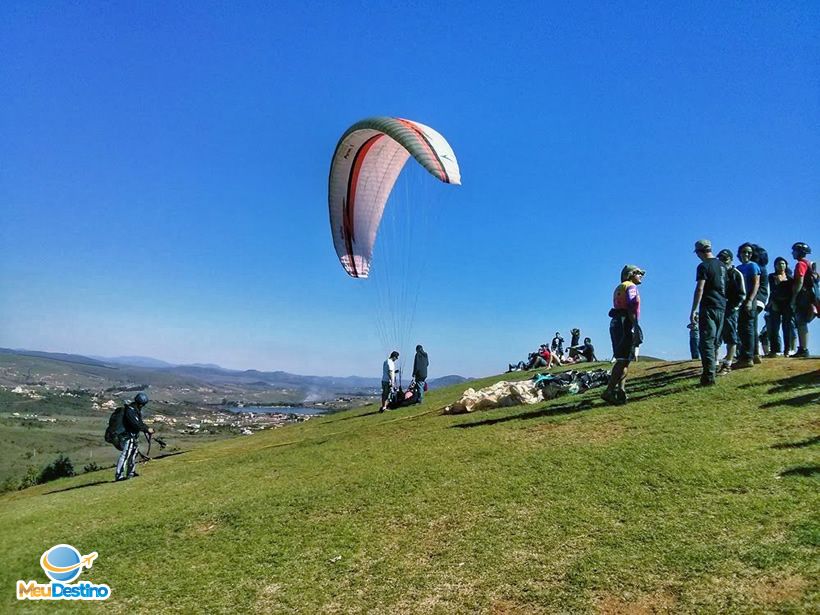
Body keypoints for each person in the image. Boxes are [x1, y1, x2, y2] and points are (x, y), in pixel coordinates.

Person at [602, 264, 644, 404]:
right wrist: (636, 326)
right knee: (622, 360)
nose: (641, 276)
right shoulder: (631, 287)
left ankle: (621, 391)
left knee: (625, 359)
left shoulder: (619, 287)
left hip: (617, 322)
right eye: (638, 273)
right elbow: (632, 305)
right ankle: (609, 391)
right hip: (625, 322)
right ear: (631, 274)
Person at [690, 240, 727, 386]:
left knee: (706, 342)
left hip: (709, 306)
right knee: (716, 340)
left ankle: (709, 376)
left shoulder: (703, 266)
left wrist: (693, 309)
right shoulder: (723, 266)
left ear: (700, 252)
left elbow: (700, 288)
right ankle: (713, 370)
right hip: (722, 306)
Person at [716, 249, 745, 375]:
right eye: (721, 259)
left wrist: (735, 307)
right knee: (716, 336)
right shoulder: (717, 274)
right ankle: (715, 363)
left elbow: (742, 293)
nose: (723, 261)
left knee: (731, 336)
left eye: (725, 259)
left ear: (731, 259)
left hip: (731, 309)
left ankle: (728, 363)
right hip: (718, 308)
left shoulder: (736, 274)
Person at [115, 393, 154, 482]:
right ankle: (119, 475)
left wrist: (147, 428)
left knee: (133, 454)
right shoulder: (130, 411)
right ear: (141, 403)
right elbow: (136, 424)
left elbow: (139, 423)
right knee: (125, 455)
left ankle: (131, 472)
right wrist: (147, 429)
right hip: (128, 436)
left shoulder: (134, 410)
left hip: (133, 436)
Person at [735, 242, 761, 368]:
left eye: (749, 252)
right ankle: (751, 355)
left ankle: (747, 357)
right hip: (740, 299)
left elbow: (756, 284)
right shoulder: (739, 268)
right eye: (744, 252)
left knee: (748, 328)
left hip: (749, 299)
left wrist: (750, 300)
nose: (746, 254)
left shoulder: (753, 266)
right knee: (743, 328)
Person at [790, 242, 814, 357]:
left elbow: (799, 281)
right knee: (802, 322)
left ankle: (803, 348)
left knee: (801, 322)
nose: (792, 252)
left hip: (803, 296)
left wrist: (794, 297)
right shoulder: (809, 263)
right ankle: (803, 347)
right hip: (810, 295)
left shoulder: (800, 264)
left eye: (794, 250)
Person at [766, 256, 793, 356]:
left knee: (787, 327)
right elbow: (773, 290)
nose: (781, 265)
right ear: (775, 266)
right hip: (776, 302)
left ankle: (787, 349)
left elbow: (792, 291)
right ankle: (774, 349)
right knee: (774, 327)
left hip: (787, 303)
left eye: (783, 263)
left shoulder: (790, 277)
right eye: (779, 264)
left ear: (786, 265)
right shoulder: (772, 276)